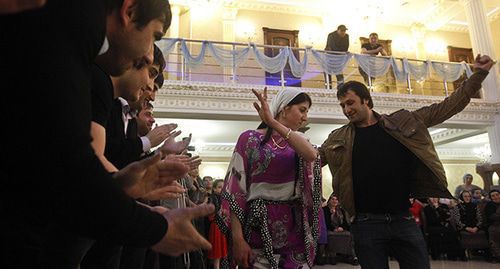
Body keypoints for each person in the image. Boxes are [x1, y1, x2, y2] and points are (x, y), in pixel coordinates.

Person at [0, 1, 213, 268]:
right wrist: (157, 228)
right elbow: (70, 175)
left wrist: (117, 183)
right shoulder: (71, 34)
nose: (148, 53)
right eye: (154, 36)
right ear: (130, 12)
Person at [319, 54, 495, 269]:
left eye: (350, 103)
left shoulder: (402, 122)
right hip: (366, 224)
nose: (346, 110)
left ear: (366, 100)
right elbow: (313, 159)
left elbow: (447, 107)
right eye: (342, 106)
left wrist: (479, 74)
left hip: (403, 220)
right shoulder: (338, 138)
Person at [218, 87, 321, 269]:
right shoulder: (249, 139)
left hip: (294, 230)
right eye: (302, 110)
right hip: (258, 227)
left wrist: (273, 123)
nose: (306, 117)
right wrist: (238, 239)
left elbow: (311, 155)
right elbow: (234, 192)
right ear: (284, 108)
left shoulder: (299, 141)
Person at [208, 179, 228, 269]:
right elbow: (210, 214)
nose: (222, 189)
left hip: (222, 225)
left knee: (222, 250)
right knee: (217, 250)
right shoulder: (211, 198)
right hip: (216, 226)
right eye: (219, 187)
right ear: (214, 189)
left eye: (223, 187)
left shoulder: (223, 198)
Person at [324, 24, 349, 88]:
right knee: (327, 72)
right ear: (338, 30)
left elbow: (346, 47)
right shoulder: (331, 35)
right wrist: (341, 52)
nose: (343, 32)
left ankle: (341, 88)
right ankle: (328, 87)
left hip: (339, 58)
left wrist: (342, 52)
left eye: (344, 31)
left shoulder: (346, 36)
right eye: (342, 31)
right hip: (329, 56)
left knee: (339, 74)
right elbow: (331, 46)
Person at [484, 189, 500, 263]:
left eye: (497, 195)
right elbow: (491, 217)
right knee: (494, 232)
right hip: (494, 224)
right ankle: (497, 256)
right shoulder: (489, 205)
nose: (496, 197)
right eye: (493, 196)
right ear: (491, 198)